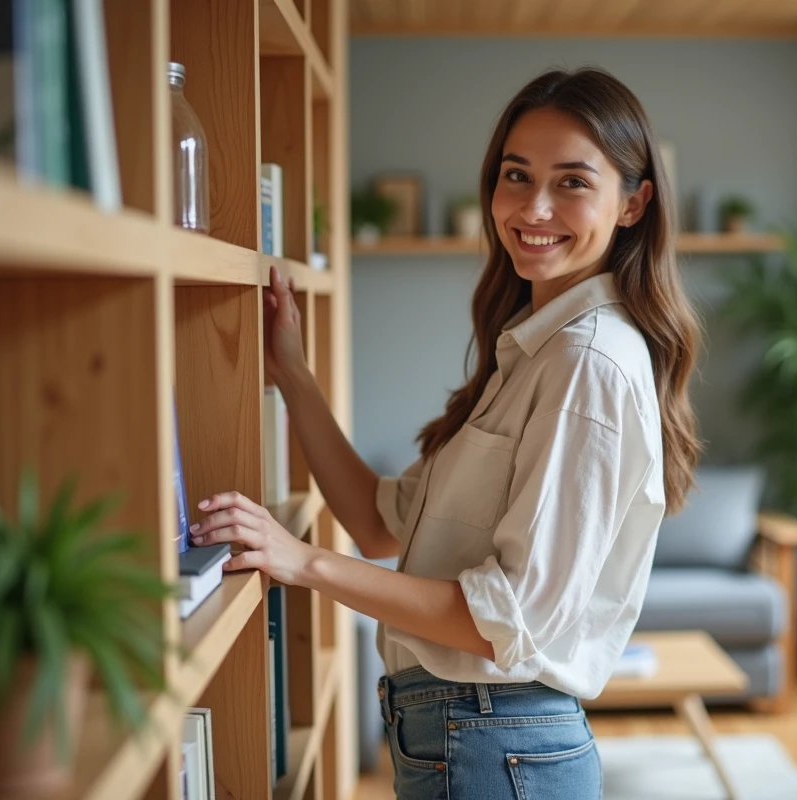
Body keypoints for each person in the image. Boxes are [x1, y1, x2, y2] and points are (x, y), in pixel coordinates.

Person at [189, 66, 701, 799]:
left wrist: (302, 562)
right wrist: (293, 375)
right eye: (516, 175)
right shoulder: (536, 350)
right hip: (466, 737)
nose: (535, 206)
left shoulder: (587, 361)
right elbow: (376, 522)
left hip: (494, 740)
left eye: (573, 182)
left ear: (633, 203)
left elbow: (506, 618)